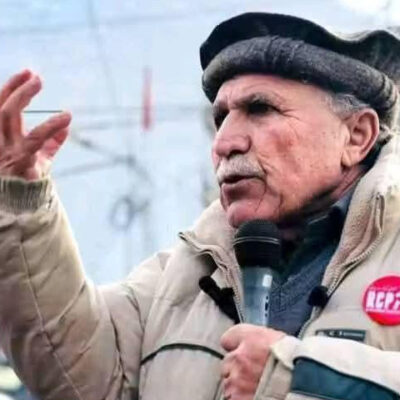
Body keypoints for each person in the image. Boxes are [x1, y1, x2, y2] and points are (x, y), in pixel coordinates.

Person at [0, 11, 399, 400]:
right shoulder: (186, 272)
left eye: (261, 109)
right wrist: (21, 200)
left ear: (356, 136)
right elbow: (78, 375)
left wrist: (291, 376)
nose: (224, 143)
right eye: (221, 117)